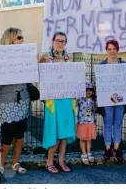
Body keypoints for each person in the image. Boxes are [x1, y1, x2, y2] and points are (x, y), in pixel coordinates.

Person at [40, 31, 77, 174]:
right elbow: (39, 74)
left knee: (64, 133)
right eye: (58, 40)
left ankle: (61, 161)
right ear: (53, 42)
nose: (60, 43)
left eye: (63, 41)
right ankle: (49, 162)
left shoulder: (70, 60)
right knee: (55, 132)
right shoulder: (46, 58)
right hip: (53, 102)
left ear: (65, 43)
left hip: (67, 100)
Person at [0, 27, 30, 174]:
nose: (22, 40)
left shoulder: (26, 56)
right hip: (6, 100)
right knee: (7, 134)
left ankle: (16, 162)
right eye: (19, 38)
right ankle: (1, 164)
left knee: (20, 134)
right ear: (10, 40)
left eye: (22, 38)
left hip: (23, 98)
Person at [100, 40, 126, 162]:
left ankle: (116, 149)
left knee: (118, 124)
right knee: (108, 124)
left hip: (120, 100)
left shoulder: (123, 64)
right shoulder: (101, 66)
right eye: (109, 49)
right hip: (107, 100)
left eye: (114, 48)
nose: (112, 51)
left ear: (117, 50)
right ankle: (107, 148)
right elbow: (99, 85)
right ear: (106, 50)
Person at [76, 82, 97, 165]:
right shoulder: (80, 99)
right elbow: (75, 101)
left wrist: (95, 120)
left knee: (88, 139)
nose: (88, 92)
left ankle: (89, 152)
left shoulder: (94, 100)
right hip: (82, 122)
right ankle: (83, 153)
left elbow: (95, 110)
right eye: (86, 90)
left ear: (92, 91)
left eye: (90, 90)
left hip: (90, 122)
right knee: (82, 138)